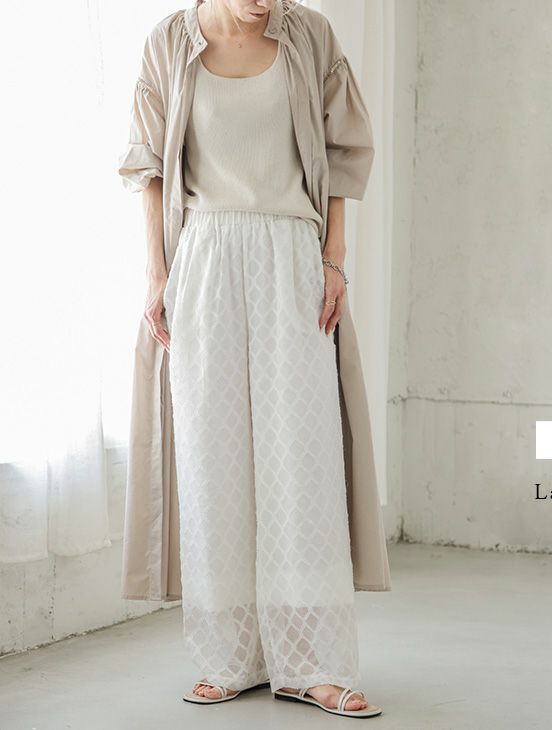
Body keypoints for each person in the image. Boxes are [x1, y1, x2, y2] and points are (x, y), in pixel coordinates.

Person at [118, 0, 387, 719]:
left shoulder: (309, 35)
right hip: (203, 255)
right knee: (213, 459)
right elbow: (147, 167)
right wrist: (157, 274)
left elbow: (344, 151)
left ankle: (315, 662)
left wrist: (334, 257)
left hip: (291, 256)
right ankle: (230, 655)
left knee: (302, 460)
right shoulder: (168, 44)